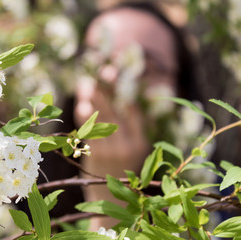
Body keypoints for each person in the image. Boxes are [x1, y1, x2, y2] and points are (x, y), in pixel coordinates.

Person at [74, 1, 198, 230]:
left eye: (148, 67)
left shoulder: (216, 200)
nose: (110, 76)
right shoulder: (22, 189)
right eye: (97, 61)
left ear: (181, 91)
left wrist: (112, 199)